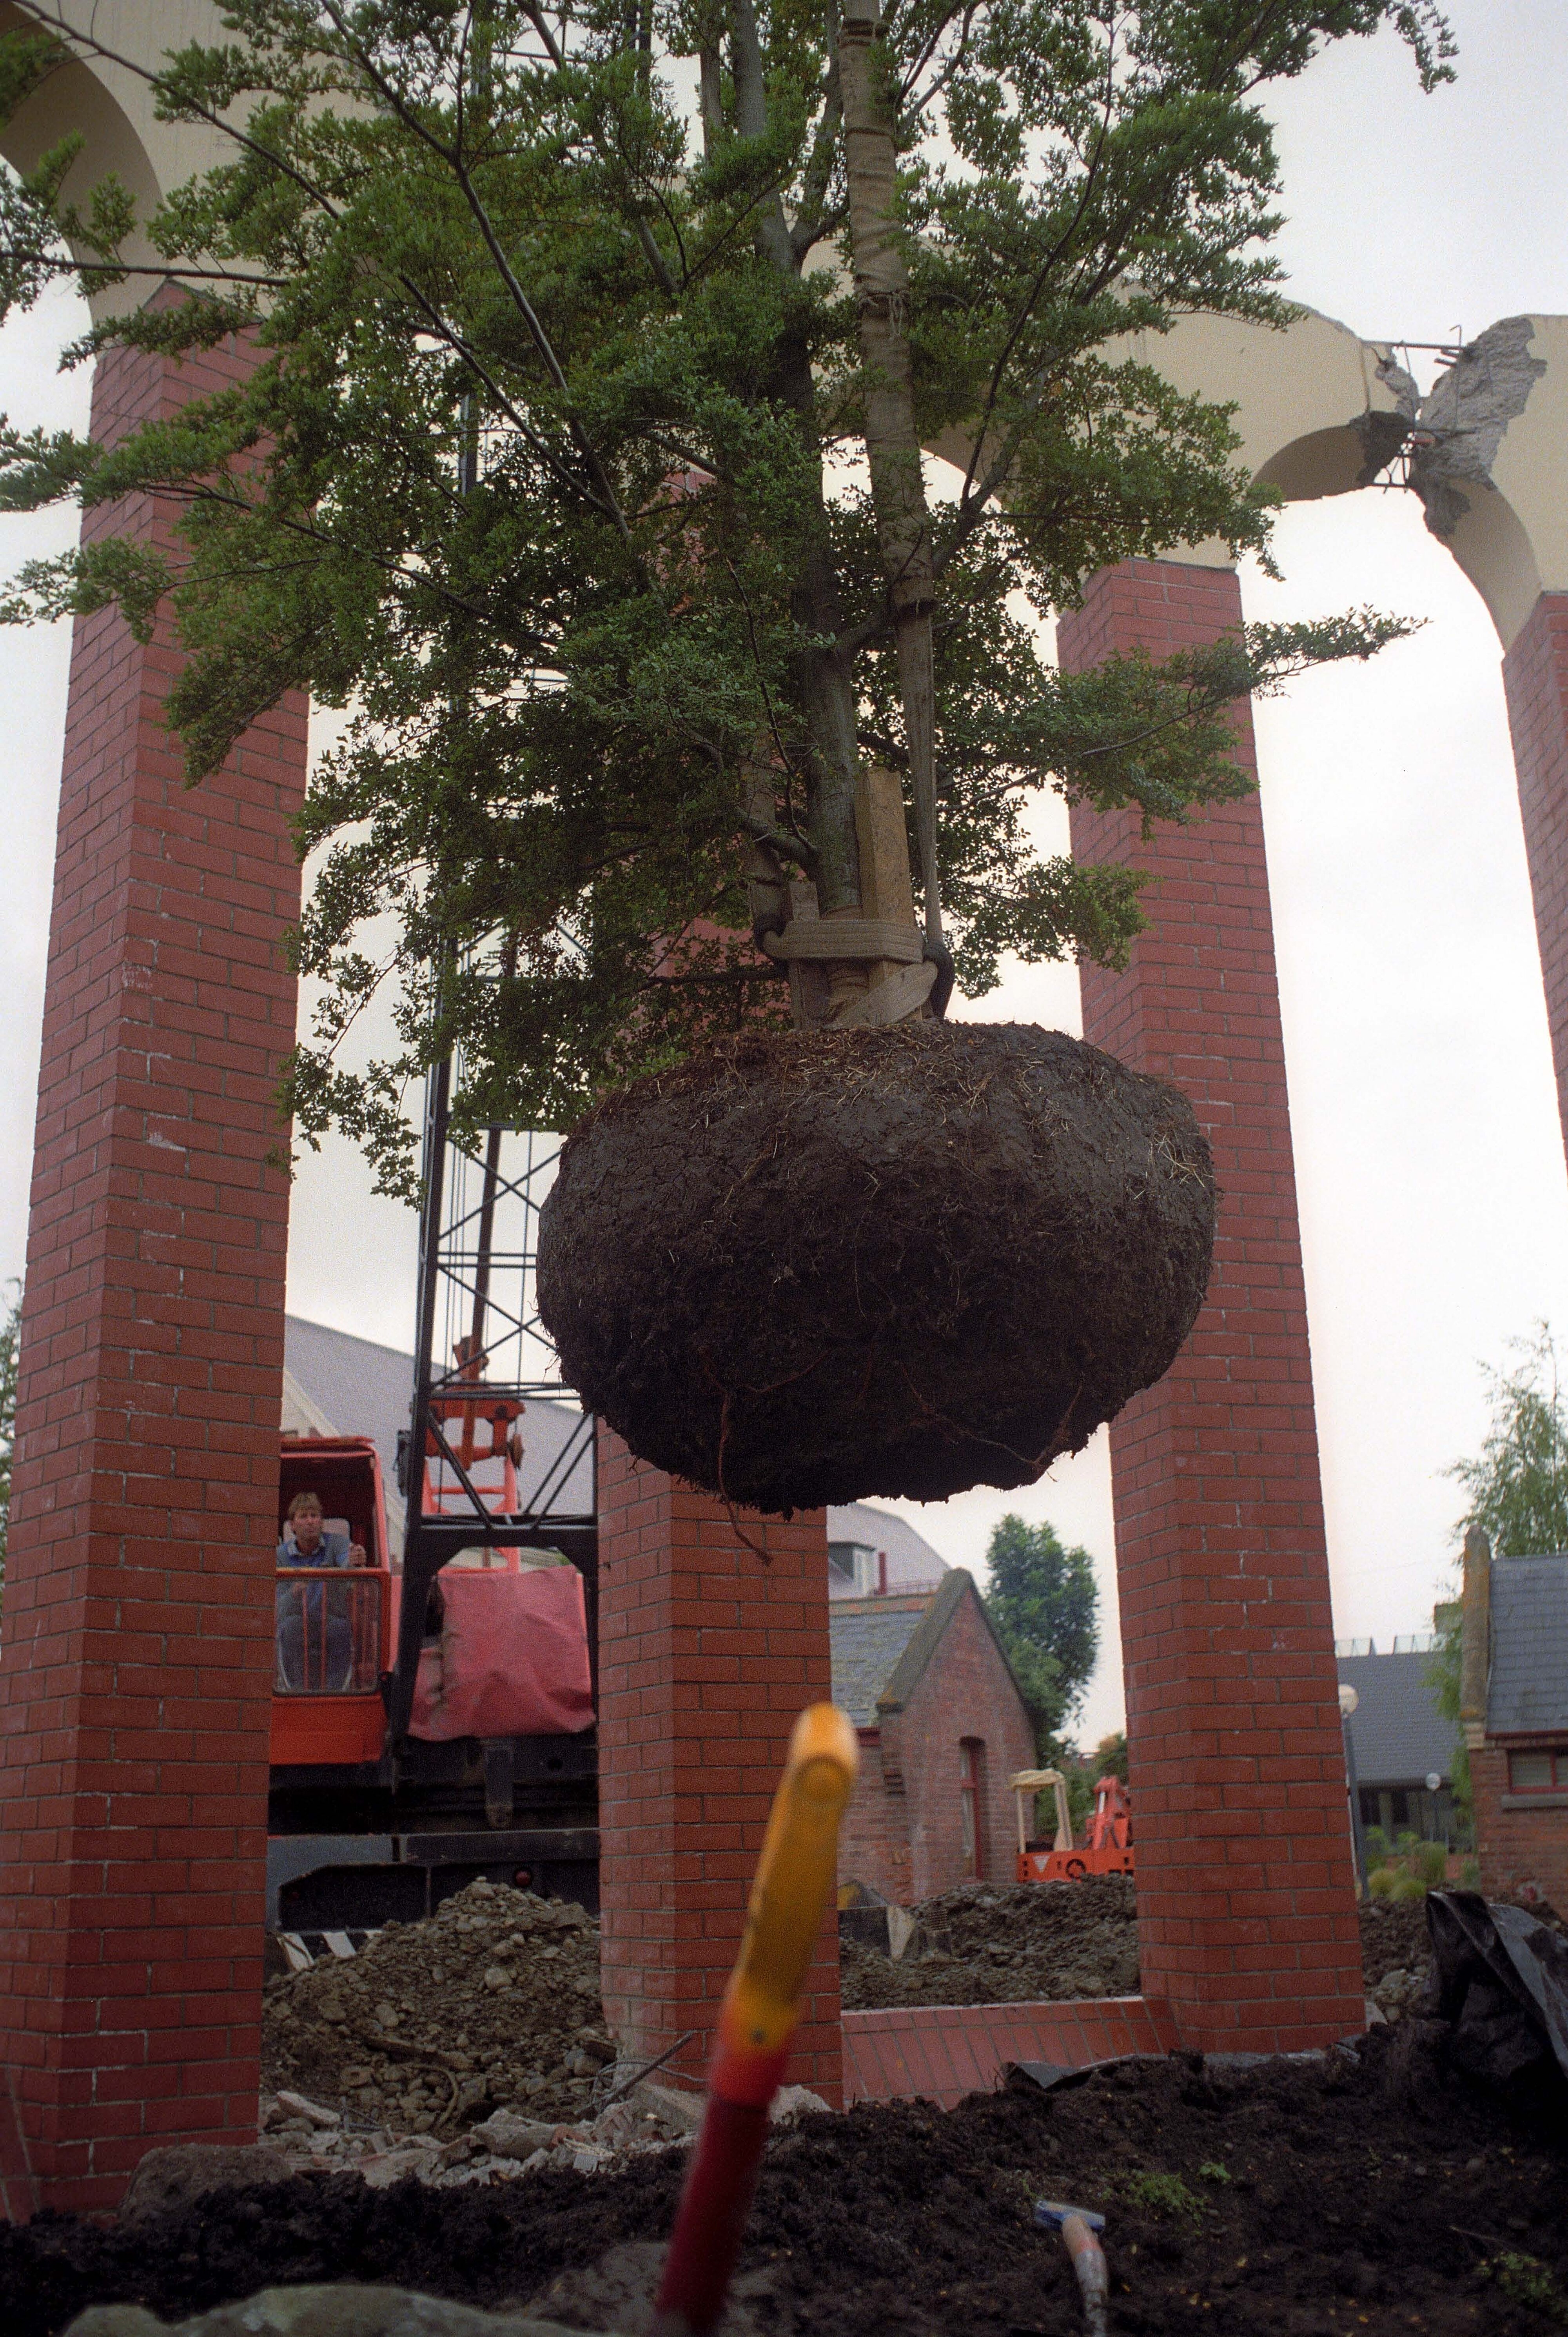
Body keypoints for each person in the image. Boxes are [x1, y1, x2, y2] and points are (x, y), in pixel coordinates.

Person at [275, 1491, 368, 1690]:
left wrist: (355, 1560)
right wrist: (294, 1593)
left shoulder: (337, 1544)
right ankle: (296, 1693)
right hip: (298, 1623)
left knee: (341, 1628)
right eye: (303, 1516)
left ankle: (336, 1693)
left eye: (315, 1516)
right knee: (290, 1626)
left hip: (331, 1619)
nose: (310, 1522)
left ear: (322, 1521)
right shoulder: (280, 1556)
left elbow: (348, 1562)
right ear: (292, 1525)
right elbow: (277, 1609)